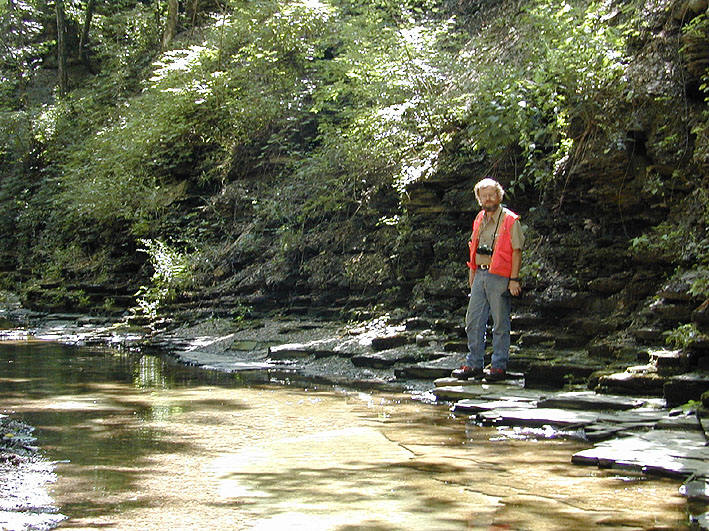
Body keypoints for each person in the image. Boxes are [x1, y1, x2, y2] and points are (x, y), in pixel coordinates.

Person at [452, 177, 524, 382]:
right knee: (473, 320)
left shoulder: (510, 220)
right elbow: (473, 247)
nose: (488, 199)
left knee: (500, 323)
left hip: (500, 275)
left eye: (492, 194)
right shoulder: (479, 219)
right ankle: (474, 364)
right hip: (480, 274)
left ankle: (499, 367)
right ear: (479, 199)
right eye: (484, 196)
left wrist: (514, 279)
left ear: (499, 195)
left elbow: (517, 251)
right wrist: (472, 273)